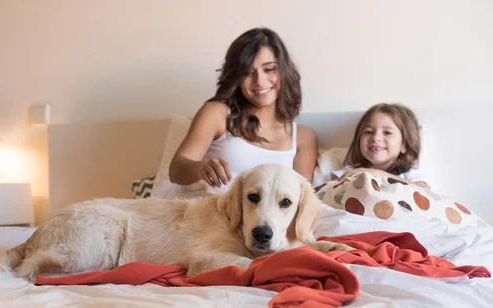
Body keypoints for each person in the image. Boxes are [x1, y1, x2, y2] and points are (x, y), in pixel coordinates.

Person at [168, 27, 318, 194]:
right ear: (237, 78)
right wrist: (199, 168)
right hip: (207, 212)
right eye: (248, 72)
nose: (259, 80)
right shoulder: (217, 114)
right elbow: (176, 171)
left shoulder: (303, 137)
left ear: (284, 71)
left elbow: (303, 196)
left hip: (263, 220)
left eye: (269, 69)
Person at [333, 103, 429, 188]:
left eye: (387, 132)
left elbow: (422, 191)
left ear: (404, 145)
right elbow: (330, 190)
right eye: (368, 132)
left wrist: (382, 175)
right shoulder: (354, 171)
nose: (376, 138)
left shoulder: (409, 172)